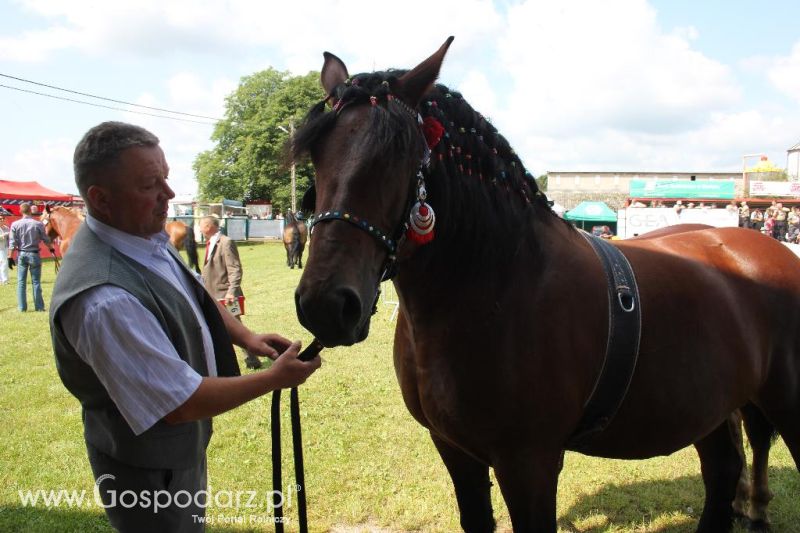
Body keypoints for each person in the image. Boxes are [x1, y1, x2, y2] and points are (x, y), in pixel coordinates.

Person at [49, 121, 321, 531]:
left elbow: (195, 294)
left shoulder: (141, 239)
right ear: (100, 199)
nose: (169, 195)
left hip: (173, 457)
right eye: (149, 185)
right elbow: (179, 404)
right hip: (146, 473)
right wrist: (273, 379)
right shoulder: (103, 300)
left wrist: (246, 336)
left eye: (166, 178)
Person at [199, 215, 261, 370]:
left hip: (227, 296)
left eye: (200, 225)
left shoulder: (226, 242)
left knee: (237, 328)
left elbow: (235, 268)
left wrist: (231, 291)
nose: (199, 229)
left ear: (208, 226)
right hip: (213, 294)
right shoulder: (212, 242)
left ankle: (252, 359)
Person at [9, 202, 53, 311]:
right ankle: (39, 307)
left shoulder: (15, 224)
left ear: (20, 211)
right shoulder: (38, 224)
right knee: (36, 282)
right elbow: (45, 239)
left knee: (21, 282)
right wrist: (51, 248)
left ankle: (22, 307)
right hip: (34, 253)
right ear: (30, 211)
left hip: (22, 254)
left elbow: (12, 242)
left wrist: (9, 256)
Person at [0, 215, 9, 285]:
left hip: (4, 248)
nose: (2, 220)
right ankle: (3, 280)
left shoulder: (6, 228)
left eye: (3, 218)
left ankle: (4, 280)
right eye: (0, 219)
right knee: (3, 263)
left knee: (4, 263)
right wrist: (4, 235)